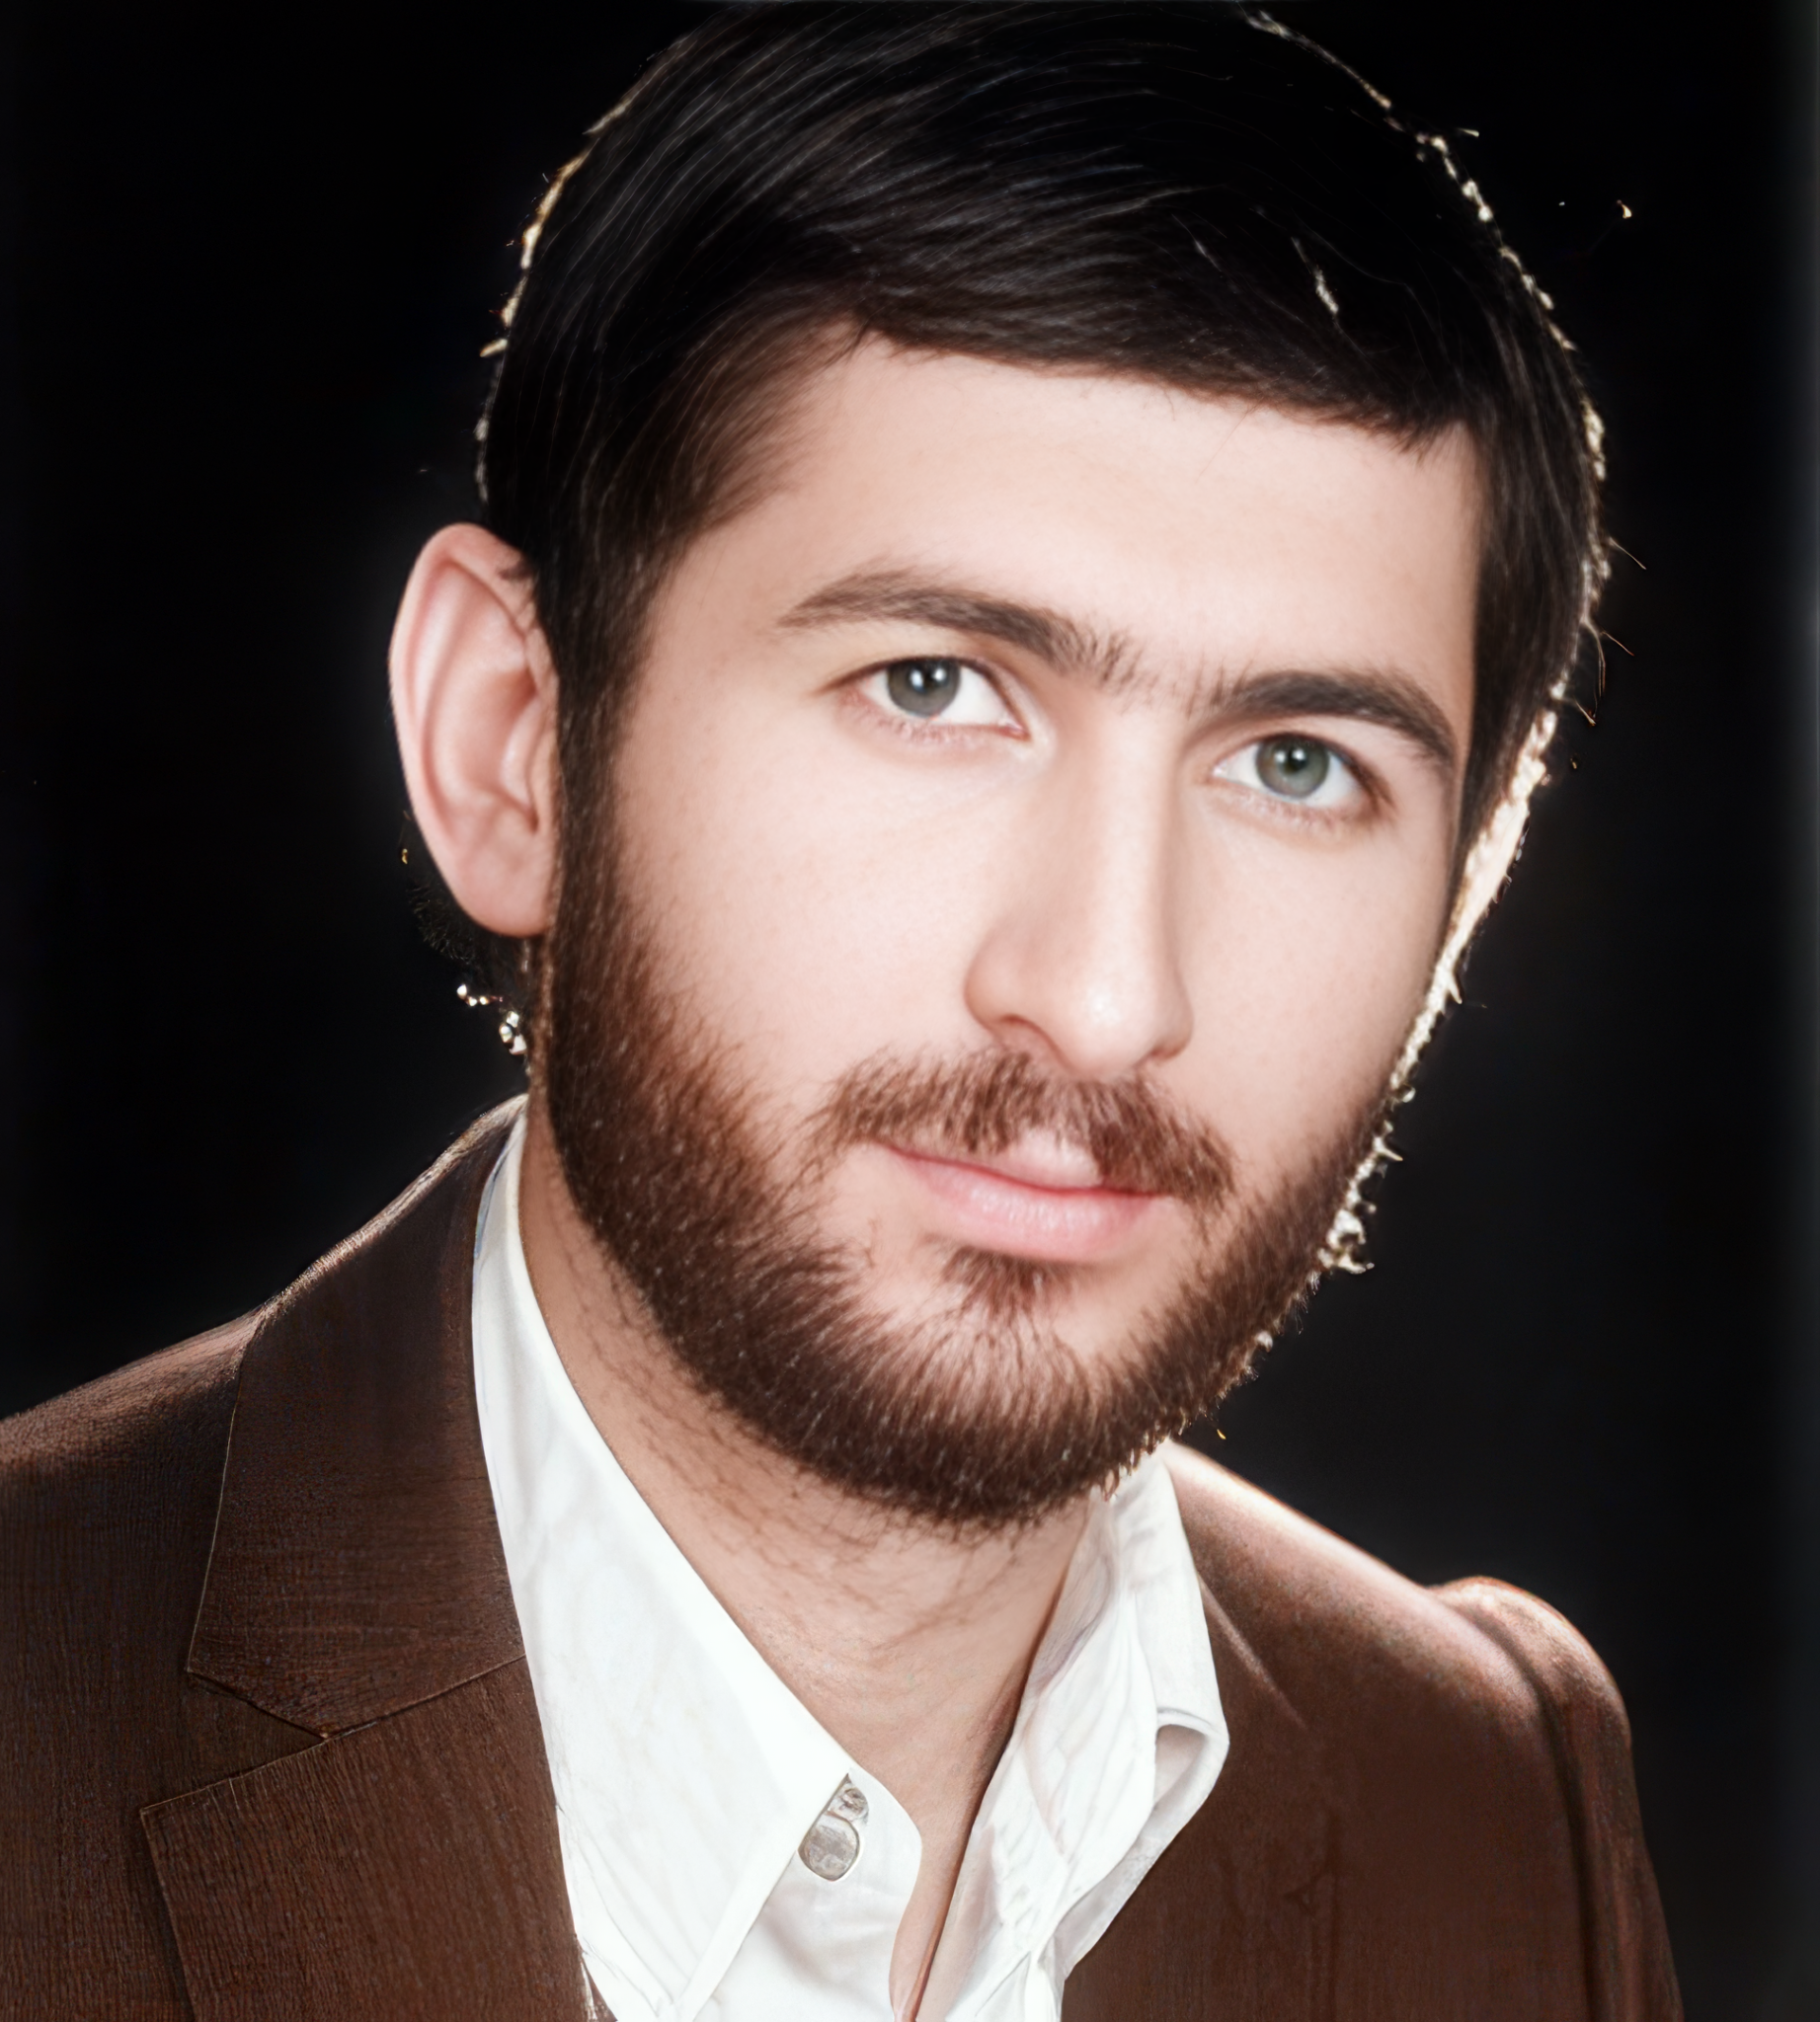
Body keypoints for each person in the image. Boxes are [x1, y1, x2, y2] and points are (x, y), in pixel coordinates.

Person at [0, 7, 1680, 2017]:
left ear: (1466, 892)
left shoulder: (1493, 1802)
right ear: (510, 742)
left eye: (1296, 765)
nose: (1103, 998)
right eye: (932, 686)